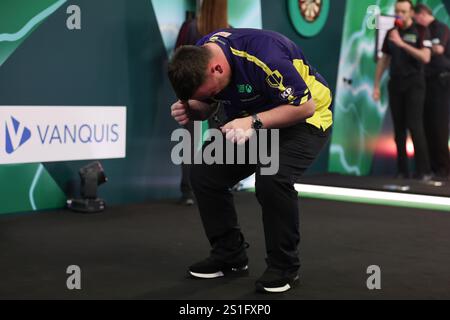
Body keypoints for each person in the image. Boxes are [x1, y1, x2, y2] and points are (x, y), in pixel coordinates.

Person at [168, 28, 333, 293]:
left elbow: (305, 107)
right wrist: (194, 109)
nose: (205, 96)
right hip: (252, 119)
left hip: (305, 118)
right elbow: (211, 101)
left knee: (271, 177)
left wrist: (253, 121)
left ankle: (284, 268)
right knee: (203, 173)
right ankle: (230, 256)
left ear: (217, 69)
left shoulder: (265, 54)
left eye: (205, 91)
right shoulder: (200, 56)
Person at [174, 0, 230, 206]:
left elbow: (177, 61)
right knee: (220, 139)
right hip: (221, 93)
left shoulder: (190, 28)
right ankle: (217, 186)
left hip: (193, 92)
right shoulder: (229, 31)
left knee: (188, 141)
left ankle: (188, 191)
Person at [373, 0, 432, 180]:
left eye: (404, 11)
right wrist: (376, 86)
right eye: (397, 11)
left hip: (415, 83)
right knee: (398, 129)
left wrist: (403, 44)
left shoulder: (421, 30)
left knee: (415, 125)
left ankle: (423, 171)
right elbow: (384, 60)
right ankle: (402, 171)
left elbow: (426, 57)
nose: (400, 14)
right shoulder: (392, 32)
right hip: (396, 83)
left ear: (411, 13)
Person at [414, 4, 450, 181]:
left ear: (423, 14)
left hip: (441, 82)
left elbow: (438, 49)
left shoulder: (441, 28)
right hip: (425, 81)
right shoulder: (421, 31)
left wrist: (425, 48)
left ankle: (444, 168)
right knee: (426, 125)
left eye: (416, 17)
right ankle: (433, 168)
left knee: (439, 126)